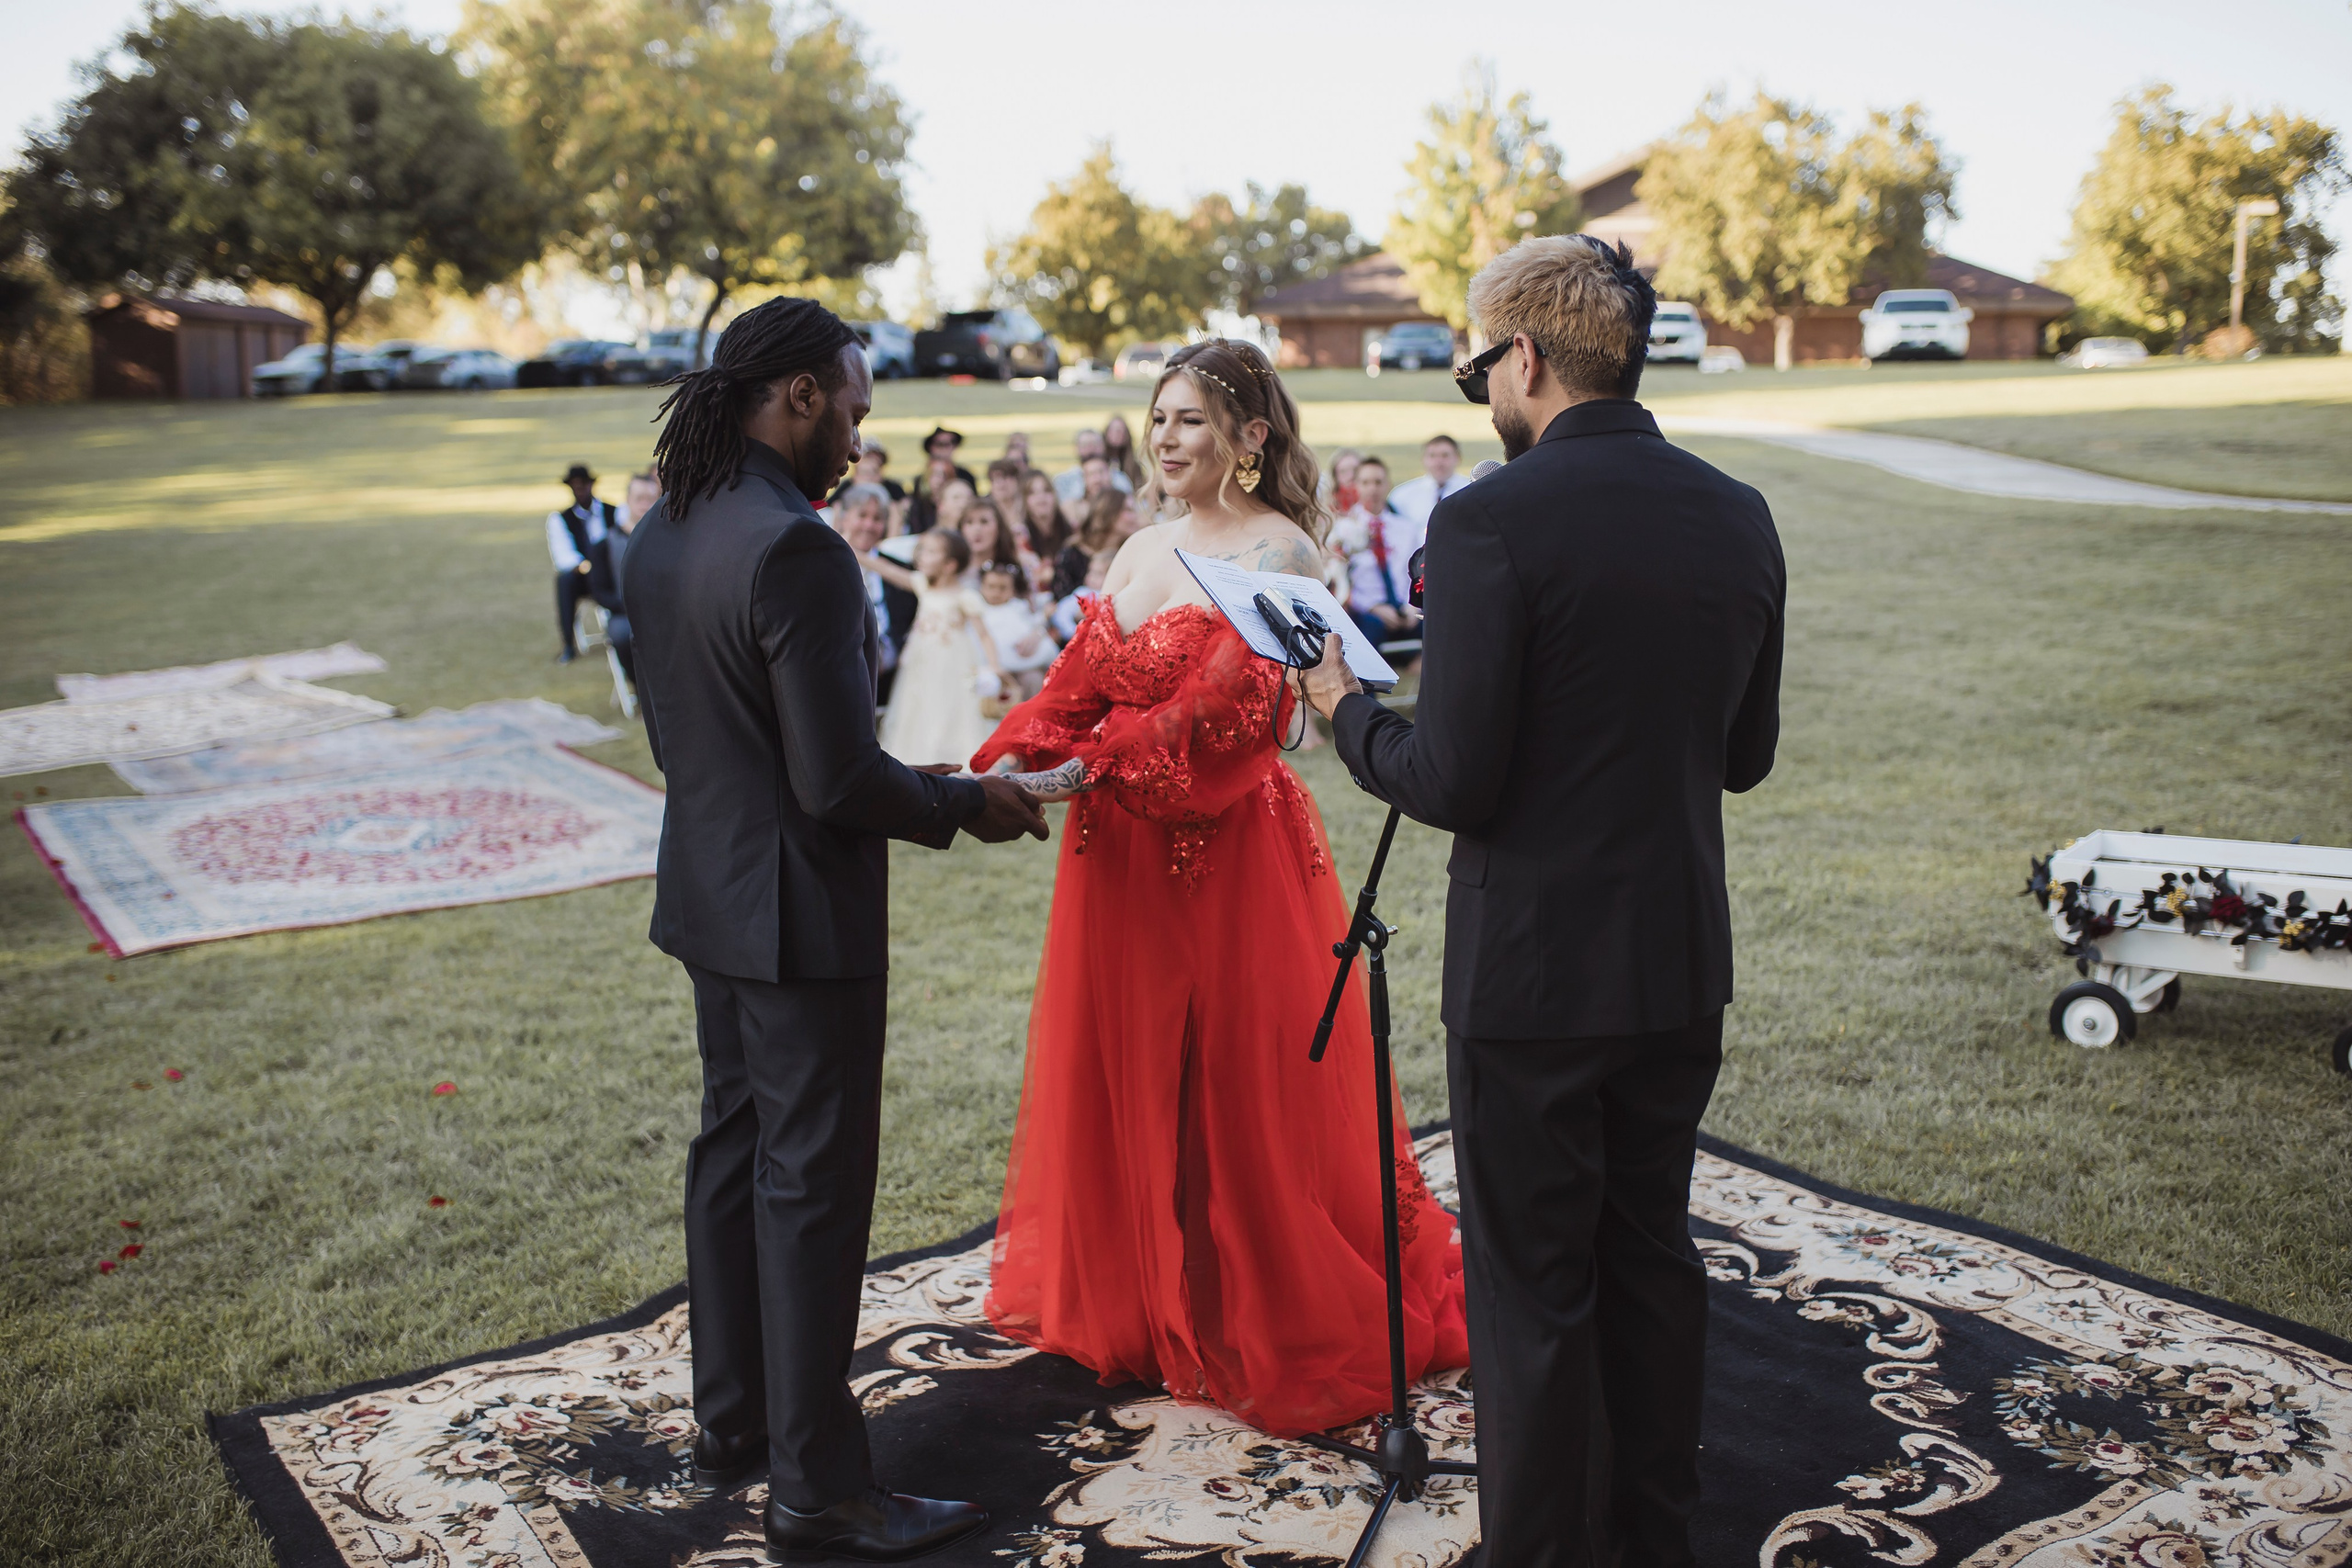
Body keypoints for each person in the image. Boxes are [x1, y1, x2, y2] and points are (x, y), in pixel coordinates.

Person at [1303, 236, 1785, 1568]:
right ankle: (1655, 1536)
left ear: (1523, 358)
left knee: (1534, 1289)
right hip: (1679, 956)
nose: (1484, 402)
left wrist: (1349, 713)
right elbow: (1743, 755)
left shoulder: (1490, 520)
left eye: (1477, 374)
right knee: (1650, 1255)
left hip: (1531, 978)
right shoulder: (1738, 510)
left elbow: (1450, 773)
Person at [971, 338, 1468, 1438]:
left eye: (1190, 419)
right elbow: (1074, 686)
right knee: (1132, 1060)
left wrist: (1076, 773)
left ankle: (1249, 1299)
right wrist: (1010, 755)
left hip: (1228, 849)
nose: (1165, 438)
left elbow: (1220, 713)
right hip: (1120, 859)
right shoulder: (1138, 548)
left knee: (1237, 1074)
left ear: (1249, 438)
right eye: (1156, 419)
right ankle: (1156, 1297)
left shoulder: (1281, 551)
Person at [622, 296, 1046, 1563]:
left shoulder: (664, 528)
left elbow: (687, 735)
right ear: (798, 394)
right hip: (802, 919)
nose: (859, 443)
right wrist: (970, 802)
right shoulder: (798, 550)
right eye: (854, 412)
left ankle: (732, 1424)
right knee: (810, 1193)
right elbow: (838, 777)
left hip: (708, 893)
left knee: (730, 1155)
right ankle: (819, 1486)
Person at [865, 527, 1001, 766]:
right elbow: (888, 571)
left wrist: (994, 668)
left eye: (930, 552)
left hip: (954, 665)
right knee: (919, 709)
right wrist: (854, 552)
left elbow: (985, 634)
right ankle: (917, 761)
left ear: (949, 564)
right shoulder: (923, 585)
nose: (921, 556)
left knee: (951, 710)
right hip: (921, 663)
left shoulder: (964, 596)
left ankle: (954, 760)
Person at [1327, 454, 1419, 651]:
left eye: (1378, 482)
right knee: (1368, 629)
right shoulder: (1344, 529)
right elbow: (1342, 581)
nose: (1372, 489)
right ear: (1356, 486)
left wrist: (1412, 607)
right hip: (1368, 610)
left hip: (1404, 607)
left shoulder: (1406, 528)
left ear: (1388, 485)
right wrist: (1373, 607)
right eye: (1366, 482)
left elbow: (1418, 573)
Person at [831, 483, 910, 703]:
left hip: (893, 684)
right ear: (844, 518)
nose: (869, 525)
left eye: (877, 519)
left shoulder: (899, 568)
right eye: (862, 515)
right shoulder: (826, 564)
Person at [546, 463, 624, 663]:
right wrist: (586, 567)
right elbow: (563, 556)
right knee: (564, 581)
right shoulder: (560, 519)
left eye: (584, 484)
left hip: (612, 573)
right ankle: (568, 645)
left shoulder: (614, 511)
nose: (580, 489)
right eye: (575, 486)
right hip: (584, 575)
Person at [977, 561, 1056, 699]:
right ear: (982, 587)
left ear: (1012, 590)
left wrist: (1039, 627)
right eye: (991, 587)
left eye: (1003, 588)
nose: (996, 593)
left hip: (1022, 663)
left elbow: (1033, 625)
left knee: (1033, 679)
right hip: (990, 667)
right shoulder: (977, 610)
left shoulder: (1019, 608)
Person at [1050, 486, 1136, 599]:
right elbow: (1060, 602)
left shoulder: (1131, 554)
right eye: (1128, 510)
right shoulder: (1071, 555)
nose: (1135, 516)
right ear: (1109, 513)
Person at [1386, 433, 1470, 529]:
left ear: (1458, 458)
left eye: (1445, 455)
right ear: (1423, 459)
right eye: (1432, 456)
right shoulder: (1402, 496)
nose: (1438, 462)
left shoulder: (1470, 491)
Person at [1051, 428, 1132, 507]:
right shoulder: (1063, 480)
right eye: (1085, 444)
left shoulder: (1120, 479)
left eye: (1095, 444)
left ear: (1103, 446)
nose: (1091, 449)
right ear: (1076, 448)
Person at [1021, 468, 1070, 563]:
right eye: (1032, 492)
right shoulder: (1019, 537)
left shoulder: (1073, 532)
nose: (1041, 497)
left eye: (1046, 490)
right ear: (1025, 500)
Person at [1101, 412, 1144, 491]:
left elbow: (1139, 488)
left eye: (1121, 431)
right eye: (1114, 430)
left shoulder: (1133, 465)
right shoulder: (1099, 460)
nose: (1118, 434)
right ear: (1106, 432)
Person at [1325, 447, 1362, 515]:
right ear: (1335, 476)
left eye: (1356, 470)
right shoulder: (1326, 507)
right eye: (1343, 471)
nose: (1351, 475)